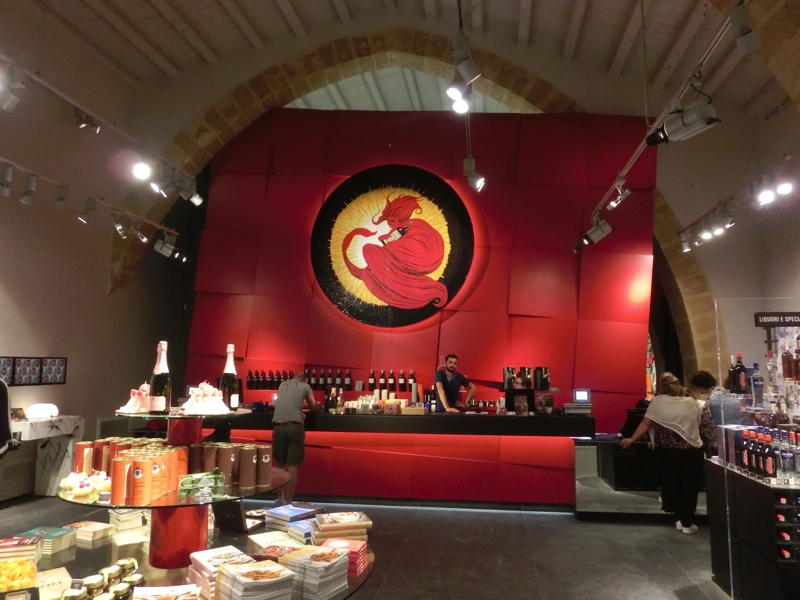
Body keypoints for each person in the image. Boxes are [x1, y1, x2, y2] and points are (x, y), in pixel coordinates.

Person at [621, 372, 715, 534]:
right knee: (690, 487)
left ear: (662, 387)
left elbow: (646, 423)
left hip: (667, 451)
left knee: (674, 485)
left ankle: (678, 519)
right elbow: (696, 424)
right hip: (690, 450)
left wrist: (631, 439)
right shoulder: (690, 402)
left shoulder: (657, 401)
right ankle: (687, 523)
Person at [271, 372, 321, 504]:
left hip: (278, 426)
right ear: (304, 380)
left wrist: (299, 411)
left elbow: (287, 404)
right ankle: (288, 502)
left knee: (280, 464)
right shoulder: (305, 387)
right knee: (292, 465)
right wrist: (319, 405)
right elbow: (314, 406)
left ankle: (280, 498)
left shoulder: (282, 384)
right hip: (294, 427)